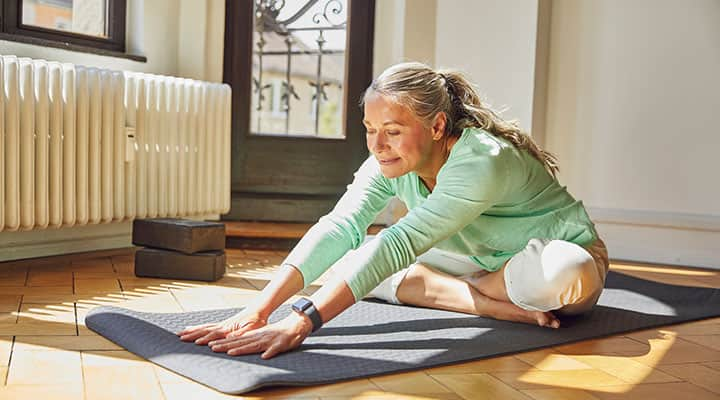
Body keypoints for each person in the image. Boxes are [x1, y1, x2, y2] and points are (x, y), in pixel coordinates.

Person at [178, 62, 609, 359]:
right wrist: (259, 308)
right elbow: (342, 224)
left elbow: (400, 241)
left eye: (392, 131)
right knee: (350, 256)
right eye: (369, 130)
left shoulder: (482, 159)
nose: (377, 145)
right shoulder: (391, 161)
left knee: (565, 273)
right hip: (471, 260)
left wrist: (302, 321)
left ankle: (475, 290)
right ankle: (491, 302)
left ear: (437, 126)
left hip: (549, 260)